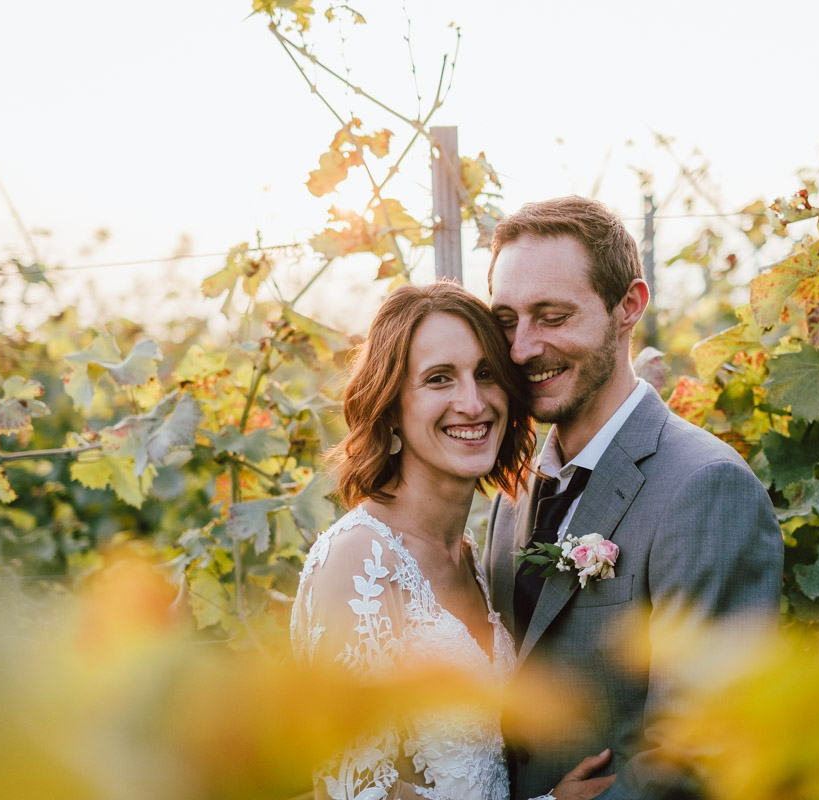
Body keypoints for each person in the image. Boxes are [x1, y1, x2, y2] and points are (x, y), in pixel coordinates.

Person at [484, 196, 784, 800]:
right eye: (507, 319)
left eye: (552, 316)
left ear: (629, 306)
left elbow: (701, 750)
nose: (521, 348)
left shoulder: (705, 489)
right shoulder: (514, 486)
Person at [291, 282, 610, 800]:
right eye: (439, 378)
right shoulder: (359, 562)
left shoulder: (469, 554)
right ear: (391, 408)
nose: (473, 401)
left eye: (486, 374)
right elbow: (355, 788)